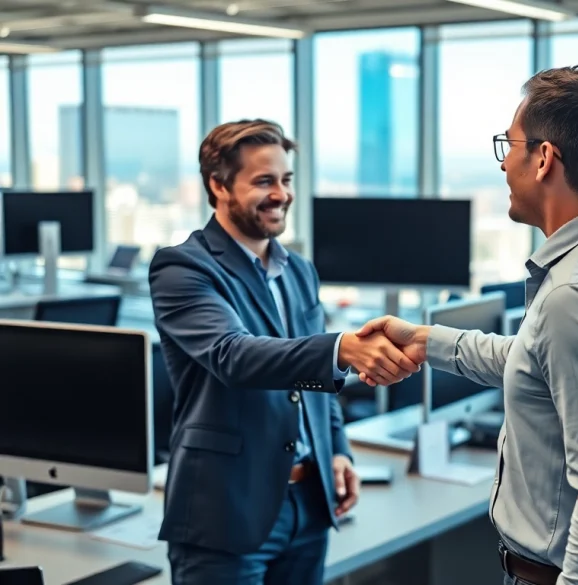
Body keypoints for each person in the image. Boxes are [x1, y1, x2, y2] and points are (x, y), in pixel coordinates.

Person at [356, 66, 578, 585]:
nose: (504, 163)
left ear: (543, 158)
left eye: (507, 146)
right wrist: (427, 341)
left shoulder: (576, 294)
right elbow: (539, 363)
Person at [149, 119, 419, 584]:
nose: (281, 193)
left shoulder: (298, 271)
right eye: (264, 181)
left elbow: (316, 387)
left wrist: (338, 451)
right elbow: (233, 355)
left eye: (286, 180)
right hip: (227, 514)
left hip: (309, 506)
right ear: (218, 185)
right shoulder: (183, 267)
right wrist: (343, 348)